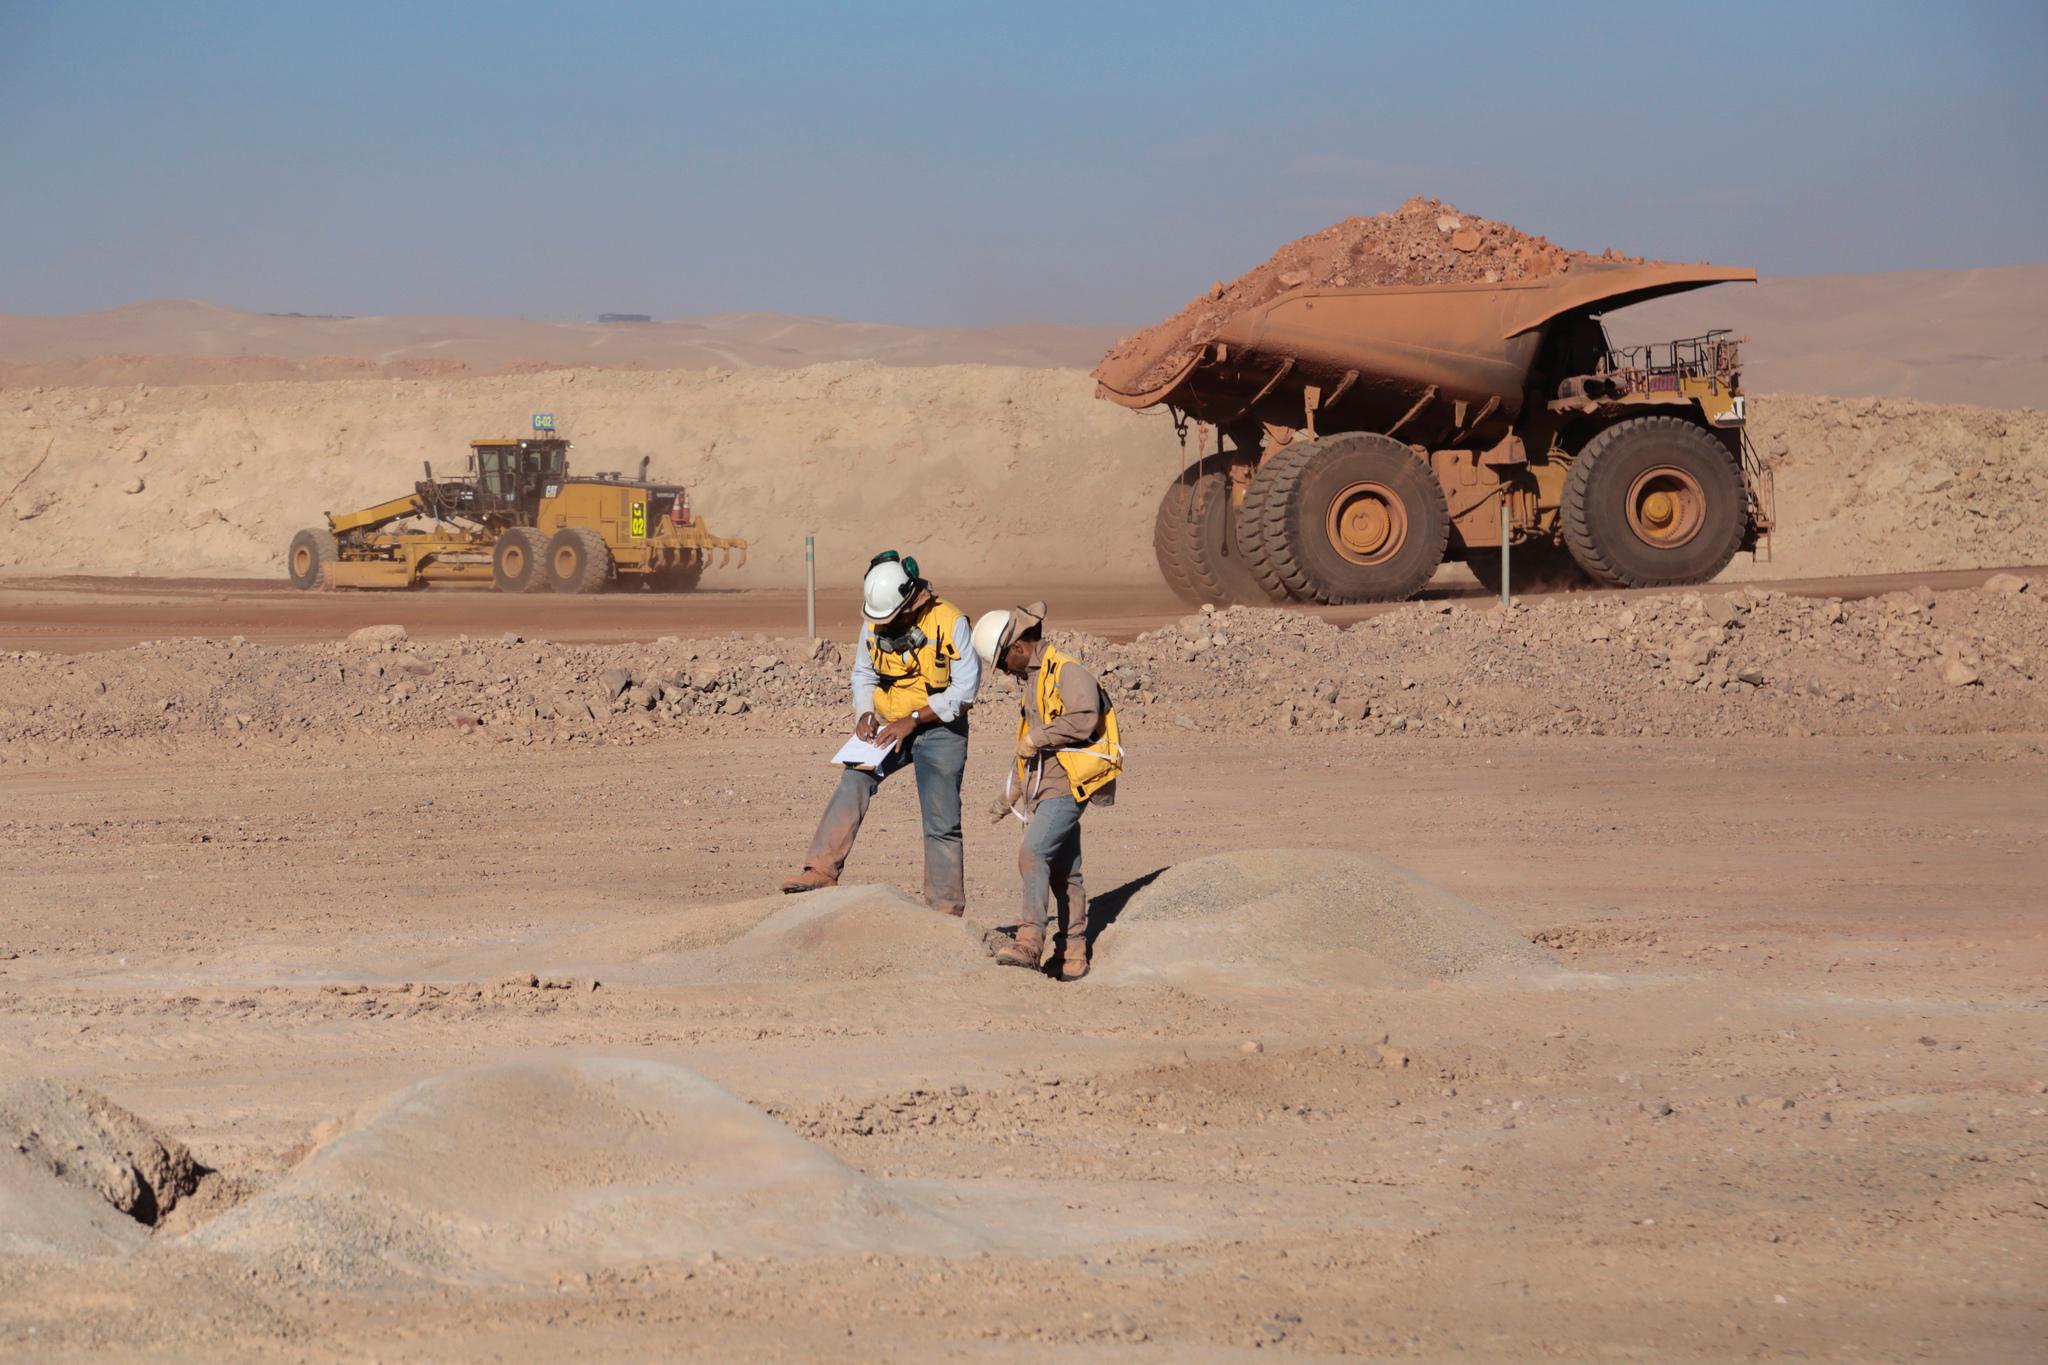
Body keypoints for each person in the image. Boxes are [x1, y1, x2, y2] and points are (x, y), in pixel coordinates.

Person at [780, 551, 981, 916]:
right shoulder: (874, 621)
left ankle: (945, 909)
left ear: (909, 604)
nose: (883, 625)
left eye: (891, 618)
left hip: (939, 728)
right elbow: (863, 674)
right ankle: (821, 870)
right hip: (887, 724)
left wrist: (915, 720)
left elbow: (965, 690)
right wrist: (865, 712)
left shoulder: (951, 622)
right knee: (853, 779)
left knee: (941, 820)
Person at [970, 601, 1122, 980]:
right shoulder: (1036, 680)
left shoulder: (1067, 670)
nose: (1005, 671)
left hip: (1069, 784)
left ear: (1018, 647)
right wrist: (1011, 793)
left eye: (1003, 663)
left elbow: (1085, 718)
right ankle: (1072, 953)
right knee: (1065, 872)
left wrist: (1039, 736)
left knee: (1033, 853)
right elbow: (1029, 746)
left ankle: (1029, 940)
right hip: (1046, 785)